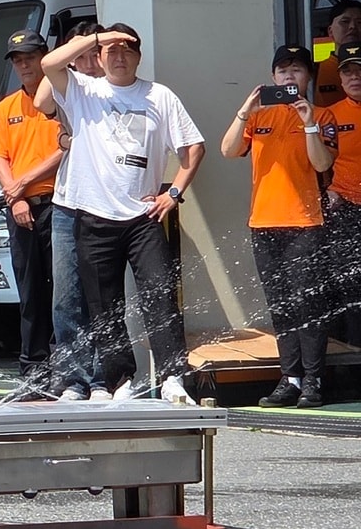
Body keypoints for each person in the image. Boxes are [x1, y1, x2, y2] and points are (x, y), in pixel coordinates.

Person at [35, 23, 206, 403]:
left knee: (159, 294)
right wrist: (97, 38)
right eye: (112, 50)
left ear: (139, 56)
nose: (119, 56)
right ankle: (118, 380)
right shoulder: (84, 89)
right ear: (98, 56)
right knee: (103, 305)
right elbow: (48, 64)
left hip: (143, 218)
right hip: (93, 217)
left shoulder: (159, 95)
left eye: (127, 49)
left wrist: (173, 192)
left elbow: (193, 148)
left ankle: (172, 376)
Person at [221, 45, 336, 408]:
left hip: (305, 224)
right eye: (283, 70)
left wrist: (308, 124)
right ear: (273, 77)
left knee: (308, 305)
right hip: (264, 223)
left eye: (297, 70)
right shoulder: (258, 116)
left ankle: (313, 381)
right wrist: (244, 111)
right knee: (282, 306)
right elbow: (227, 149)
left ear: (308, 77)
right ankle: (289, 377)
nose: (289, 76)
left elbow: (321, 164)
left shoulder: (323, 114)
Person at [0, 30, 61, 394]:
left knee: (63, 290)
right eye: (18, 60)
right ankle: (33, 368)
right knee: (29, 289)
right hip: (19, 208)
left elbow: (65, 148)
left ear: (44, 58)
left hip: (56, 204)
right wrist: (15, 197)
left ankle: (63, 363)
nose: (24, 65)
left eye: (30, 57)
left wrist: (22, 184)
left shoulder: (61, 100)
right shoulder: (5, 108)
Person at [37, 22, 104, 397]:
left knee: (101, 296)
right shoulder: (68, 87)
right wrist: (73, 54)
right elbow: (40, 102)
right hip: (67, 201)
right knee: (65, 298)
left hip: (106, 205)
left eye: (96, 54)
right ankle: (72, 379)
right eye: (82, 56)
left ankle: (102, 377)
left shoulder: (115, 88)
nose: (90, 62)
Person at [323, 42, 361, 346]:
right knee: (348, 287)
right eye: (347, 71)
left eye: (359, 70)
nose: (354, 77)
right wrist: (328, 189)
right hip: (346, 208)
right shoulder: (330, 116)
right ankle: (350, 367)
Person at [313, 0, 361, 108]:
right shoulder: (315, 69)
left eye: (359, 22)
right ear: (330, 31)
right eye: (345, 21)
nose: (352, 27)